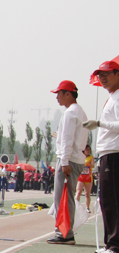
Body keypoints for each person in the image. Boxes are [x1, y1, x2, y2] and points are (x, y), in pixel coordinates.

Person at [83, 59, 119, 253]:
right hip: (108, 154)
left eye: (107, 73)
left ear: (118, 75)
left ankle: (114, 246)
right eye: (100, 75)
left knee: (111, 201)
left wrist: (99, 123)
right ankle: (112, 244)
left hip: (114, 155)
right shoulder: (113, 97)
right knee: (108, 200)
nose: (102, 77)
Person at [46, 80, 88, 245]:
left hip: (68, 161)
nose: (57, 98)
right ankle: (65, 232)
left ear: (68, 94)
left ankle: (64, 233)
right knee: (67, 197)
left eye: (59, 94)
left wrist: (64, 161)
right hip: (75, 159)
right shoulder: (80, 111)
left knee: (62, 198)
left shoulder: (70, 113)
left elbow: (68, 140)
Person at [75, 144, 93, 212]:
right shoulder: (81, 157)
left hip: (88, 178)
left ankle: (88, 207)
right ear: (84, 150)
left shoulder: (91, 157)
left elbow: (93, 165)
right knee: (78, 191)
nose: (88, 151)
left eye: (89, 150)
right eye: (87, 149)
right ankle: (76, 206)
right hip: (81, 177)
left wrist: (90, 164)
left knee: (87, 193)